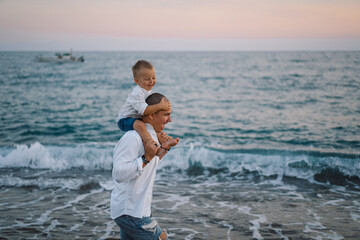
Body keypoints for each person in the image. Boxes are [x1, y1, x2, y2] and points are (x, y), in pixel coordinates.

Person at [111, 93, 179, 240]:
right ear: (152, 115)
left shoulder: (151, 137)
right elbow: (118, 174)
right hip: (130, 212)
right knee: (162, 237)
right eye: (166, 114)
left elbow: (147, 166)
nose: (170, 120)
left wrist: (164, 149)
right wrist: (146, 157)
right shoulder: (132, 138)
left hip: (138, 210)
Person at [116, 60, 176, 158]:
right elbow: (145, 111)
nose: (151, 81)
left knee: (150, 127)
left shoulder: (147, 92)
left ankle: (162, 142)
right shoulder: (137, 93)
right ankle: (151, 144)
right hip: (125, 120)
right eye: (147, 79)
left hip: (136, 118)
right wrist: (161, 106)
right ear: (137, 81)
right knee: (140, 125)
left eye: (153, 78)